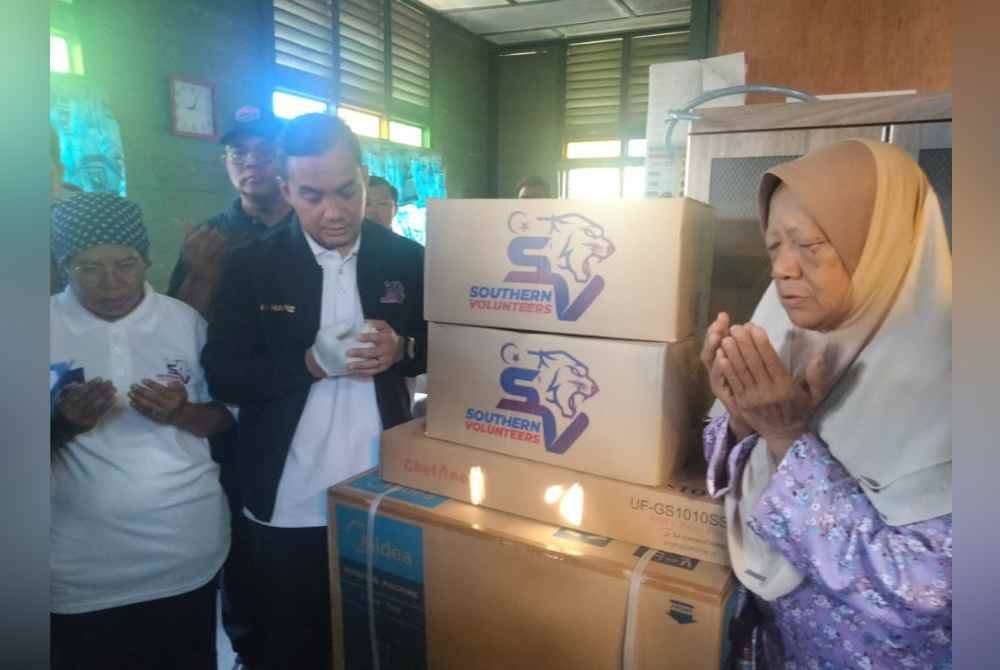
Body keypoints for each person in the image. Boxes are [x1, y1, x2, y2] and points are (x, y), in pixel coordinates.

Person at [700, 139, 951, 669]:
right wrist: (743, 416)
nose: (783, 270)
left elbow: (924, 594)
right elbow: (728, 470)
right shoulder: (792, 332)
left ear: (884, 245)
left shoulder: (959, 382)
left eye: (809, 245)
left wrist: (788, 439)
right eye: (774, 247)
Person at [202, 112, 428, 670]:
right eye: (312, 195)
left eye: (347, 192)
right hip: (288, 497)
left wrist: (405, 352)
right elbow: (225, 375)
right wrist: (307, 362)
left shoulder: (405, 258)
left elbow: (451, 349)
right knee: (291, 643)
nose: (334, 211)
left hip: (383, 488)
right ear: (286, 190)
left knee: (379, 639)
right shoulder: (251, 266)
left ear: (364, 176)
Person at [49, 192, 234, 670]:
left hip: (184, 558)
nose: (110, 283)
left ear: (147, 259)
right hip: (74, 573)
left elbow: (227, 415)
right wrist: (61, 425)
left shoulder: (185, 321)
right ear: (63, 263)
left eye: (125, 265)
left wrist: (181, 414)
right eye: (88, 268)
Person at [168, 105, 293, 319]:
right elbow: (180, 326)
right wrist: (201, 278)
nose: (252, 162)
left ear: (286, 159)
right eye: (239, 152)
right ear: (225, 162)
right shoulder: (209, 238)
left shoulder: (313, 226)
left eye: (265, 151)